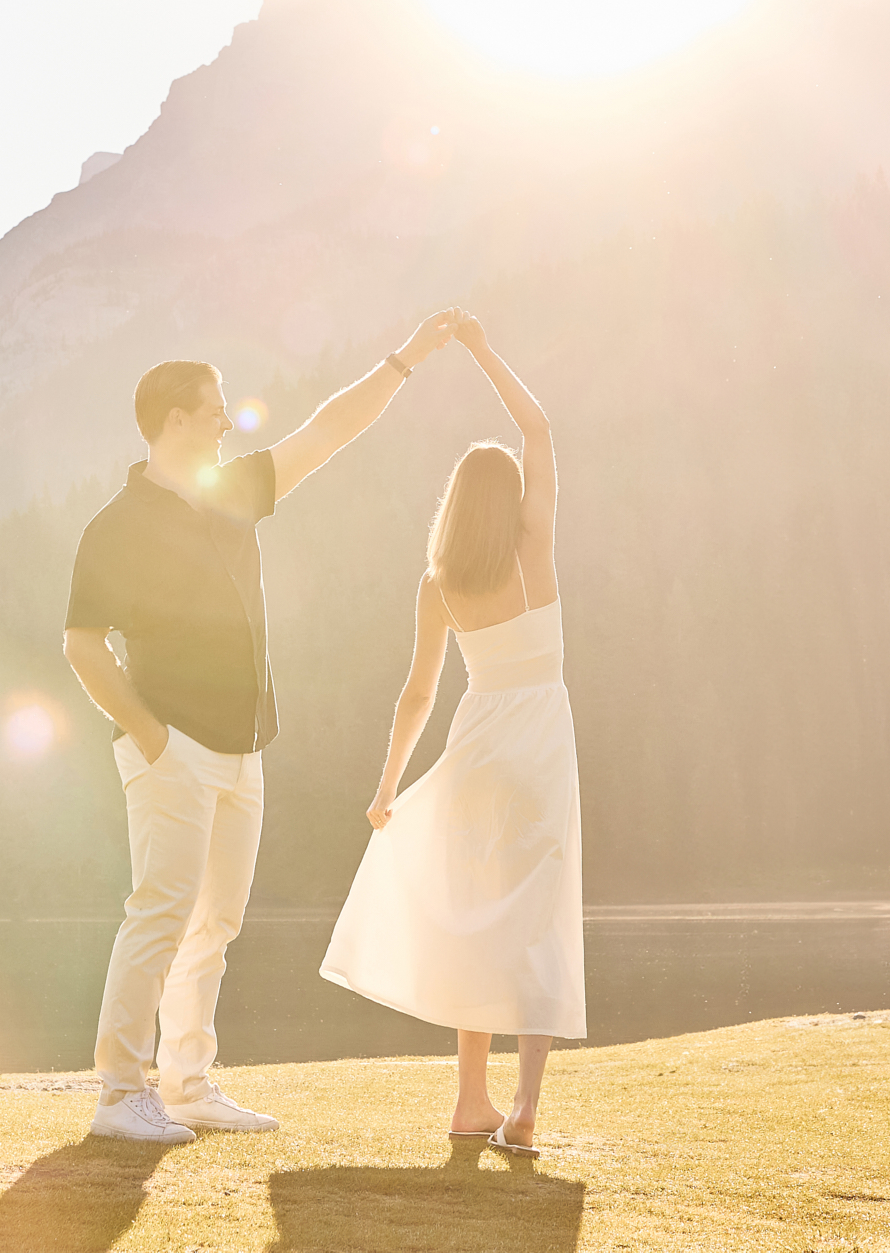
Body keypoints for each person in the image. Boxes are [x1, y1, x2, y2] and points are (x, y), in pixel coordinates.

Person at [63, 310, 462, 1144]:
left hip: (243, 750)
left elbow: (329, 431)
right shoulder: (116, 526)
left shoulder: (232, 490)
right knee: (160, 914)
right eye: (213, 409)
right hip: (170, 749)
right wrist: (151, 737)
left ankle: (187, 1083)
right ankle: (118, 1094)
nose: (225, 422)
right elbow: (82, 644)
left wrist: (406, 358)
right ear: (173, 418)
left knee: (215, 923)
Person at [320, 310, 582, 1158]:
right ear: (510, 501)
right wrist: (479, 347)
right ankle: (524, 1105)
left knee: (472, 917)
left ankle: (470, 1101)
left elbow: (418, 693)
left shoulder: (440, 582)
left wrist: (388, 786)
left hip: (476, 747)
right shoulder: (533, 551)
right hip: (539, 742)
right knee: (536, 923)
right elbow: (538, 427)